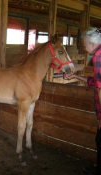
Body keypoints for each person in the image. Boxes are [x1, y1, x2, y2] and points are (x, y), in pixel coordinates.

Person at [64, 27, 101, 175]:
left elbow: (100, 88)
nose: (84, 49)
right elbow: (94, 81)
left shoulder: (98, 56)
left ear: (92, 44)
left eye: (85, 45)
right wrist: (76, 77)